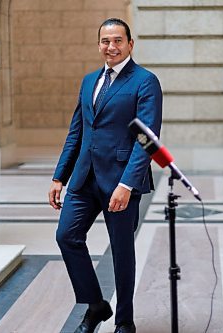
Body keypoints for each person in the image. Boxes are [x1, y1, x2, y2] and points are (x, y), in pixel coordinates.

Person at [48, 18, 162, 333]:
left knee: (122, 253)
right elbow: (77, 132)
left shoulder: (144, 81)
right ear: (99, 44)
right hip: (84, 179)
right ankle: (96, 306)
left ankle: (125, 321)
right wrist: (60, 176)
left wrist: (127, 184)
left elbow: (147, 138)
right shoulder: (89, 81)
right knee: (66, 236)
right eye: (105, 41)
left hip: (120, 181)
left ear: (130, 44)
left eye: (117, 40)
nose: (110, 47)